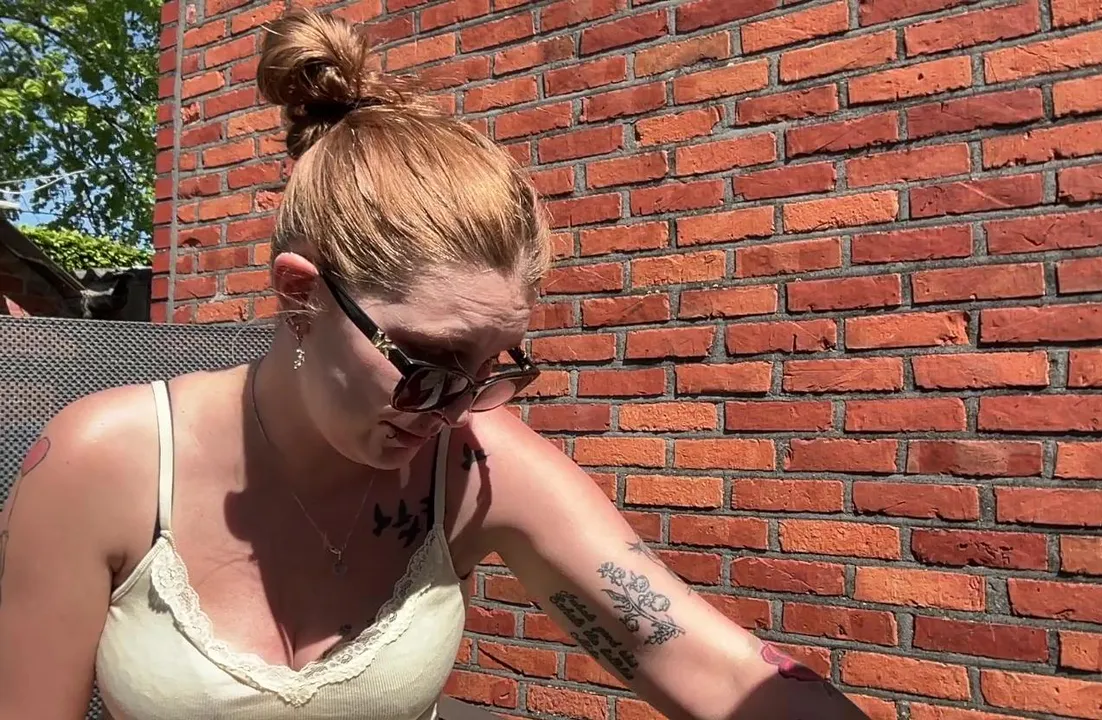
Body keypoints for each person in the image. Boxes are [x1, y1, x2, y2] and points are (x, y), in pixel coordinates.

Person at [0, 9, 870, 720]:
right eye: (427, 360)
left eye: (494, 365)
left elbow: (716, 672)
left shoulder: (474, 465)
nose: (455, 407)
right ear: (300, 297)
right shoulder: (102, 463)